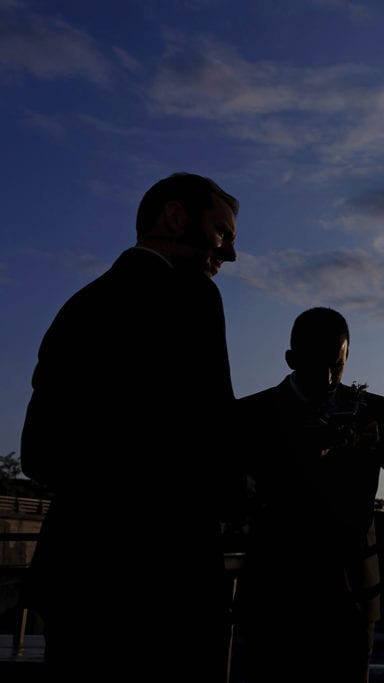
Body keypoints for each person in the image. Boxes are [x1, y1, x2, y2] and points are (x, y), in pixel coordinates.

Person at [20, 172, 239, 682]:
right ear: (175, 217)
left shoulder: (78, 307)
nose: (228, 254)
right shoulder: (195, 298)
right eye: (222, 233)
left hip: (77, 577)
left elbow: (38, 452)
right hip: (165, 584)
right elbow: (216, 435)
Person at [233, 306, 384, 683]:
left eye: (336, 365)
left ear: (348, 357)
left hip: (352, 600)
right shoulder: (251, 416)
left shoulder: (372, 410)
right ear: (290, 359)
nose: (327, 376)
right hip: (277, 600)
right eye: (316, 362)